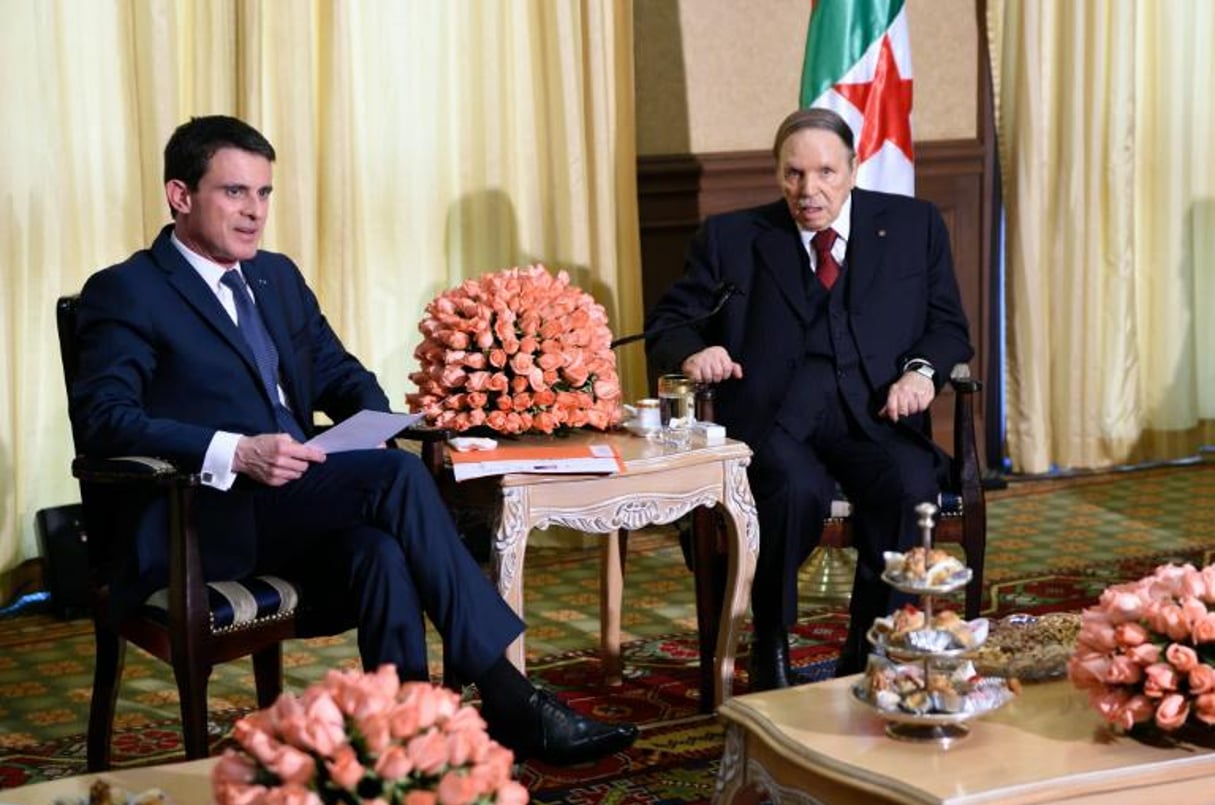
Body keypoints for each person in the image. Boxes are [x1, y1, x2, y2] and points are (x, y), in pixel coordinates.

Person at [70, 114, 638, 765]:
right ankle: (508, 694)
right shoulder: (128, 290)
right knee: (395, 479)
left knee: (380, 551)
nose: (254, 212)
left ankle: (409, 740)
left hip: (294, 500)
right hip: (201, 517)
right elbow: (105, 419)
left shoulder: (274, 277)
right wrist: (235, 448)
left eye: (263, 194)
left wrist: (374, 423)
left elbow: (341, 376)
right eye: (234, 192)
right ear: (180, 195)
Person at [644, 108, 973, 686]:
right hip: (777, 421)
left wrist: (921, 374)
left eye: (825, 172)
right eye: (794, 174)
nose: (809, 190)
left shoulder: (914, 225)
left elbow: (947, 328)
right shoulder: (733, 238)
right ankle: (769, 634)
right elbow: (671, 323)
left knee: (907, 484)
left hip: (874, 416)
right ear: (778, 174)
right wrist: (695, 354)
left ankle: (869, 641)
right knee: (793, 489)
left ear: (852, 169)